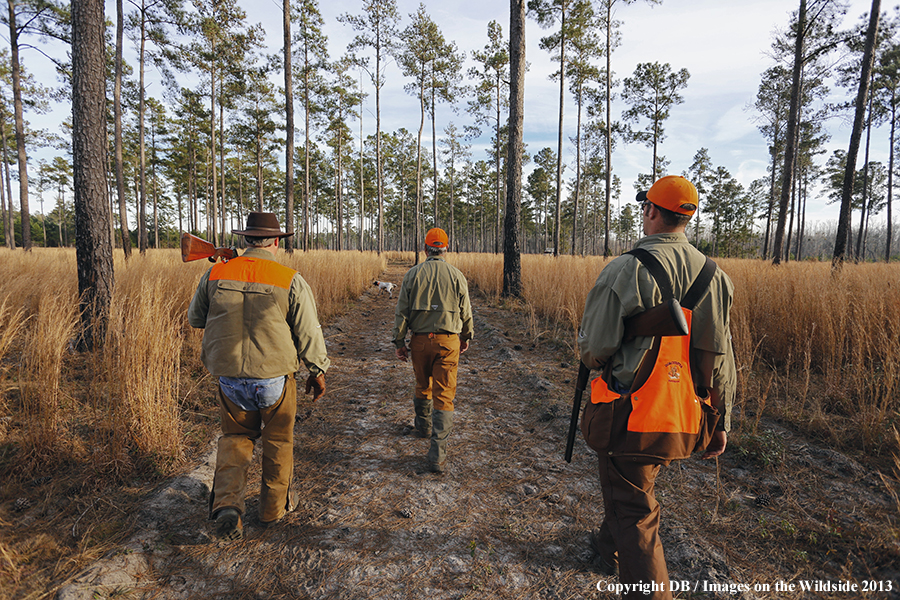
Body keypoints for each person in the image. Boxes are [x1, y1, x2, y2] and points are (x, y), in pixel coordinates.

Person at [577, 176, 736, 599]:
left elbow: (594, 350)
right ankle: (605, 546)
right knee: (632, 488)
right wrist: (721, 422)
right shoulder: (715, 277)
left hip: (633, 417)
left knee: (634, 509)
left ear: (650, 211)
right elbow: (721, 357)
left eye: (645, 206)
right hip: (686, 418)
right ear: (688, 217)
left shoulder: (624, 269)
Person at [188, 212, 330, 541]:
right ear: (276, 242)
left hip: (229, 377)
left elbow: (197, 319)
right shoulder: (289, 277)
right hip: (275, 378)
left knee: (235, 440)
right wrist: (317, 370)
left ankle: (227, 507)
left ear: (245, 239)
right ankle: (272, 510)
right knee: (278, 441)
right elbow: (308, 331)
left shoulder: (215, 272)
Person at [393, 228, 474, 474]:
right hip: (449, 342)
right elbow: (466, 312)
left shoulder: (412, 275)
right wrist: (466, 337)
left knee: (422, 385)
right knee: (444, 395)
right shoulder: (457, 275)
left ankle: (424, 427)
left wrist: (399, 342)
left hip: (419, 341)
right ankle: (437, 456)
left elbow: (402, 312)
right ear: (445, 249)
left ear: (425, 248)